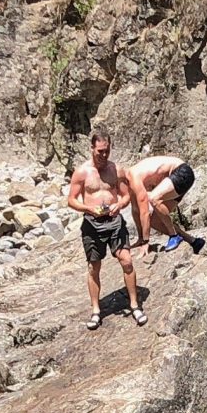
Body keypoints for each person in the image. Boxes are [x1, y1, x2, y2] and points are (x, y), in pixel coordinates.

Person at [67, 129, 150, 330]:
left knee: (127, 261)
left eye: (107, 151)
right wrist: (88, 208)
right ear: (92, 149)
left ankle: (134, 305)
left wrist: (119, 205)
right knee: (94, 267)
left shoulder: (116, 170)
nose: (104, 156)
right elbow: (71, 200)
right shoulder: (82, 172)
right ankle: (96, 311)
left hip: (114, 221)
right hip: (92, 223)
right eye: (100, 152)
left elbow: (125, 195)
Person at [127, 152, 207, 255]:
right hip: (174, 181)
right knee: (154, 220)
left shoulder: (133, 177)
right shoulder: (130, 185)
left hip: (181, 172)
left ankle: (173, 235)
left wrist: (145, 241)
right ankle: (194, 241)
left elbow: (144, 212)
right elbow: (136, 211)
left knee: (153, 198)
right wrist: (140, 238)